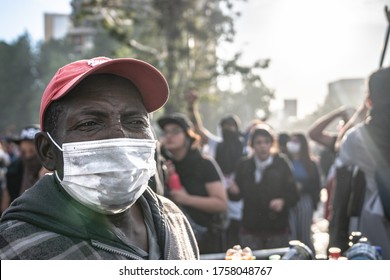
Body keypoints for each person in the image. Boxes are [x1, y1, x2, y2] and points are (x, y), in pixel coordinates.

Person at [0, 56, 199, 260]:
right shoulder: (16, 248)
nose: (119, 136)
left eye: (136, 121)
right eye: (89, 123)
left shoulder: (173, 218)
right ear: (48, 151)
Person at [337, 66, 390, 259]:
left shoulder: (357, 138)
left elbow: (339, 147)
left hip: (375, 216)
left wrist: (360, 113)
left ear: (370, 100)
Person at [157, 112, 228, 254]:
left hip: (206, 239)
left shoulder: (204, 164)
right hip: (175, 240)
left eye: (175, 131)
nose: (169, 136)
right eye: (166, 132)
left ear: (188, 135)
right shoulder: (163, 164)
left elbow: (221, 203)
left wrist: (186, 199)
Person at [186, 89, 246, 249]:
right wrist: (192, 107)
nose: (229, 129)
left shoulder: (247, 148)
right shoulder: (216, 144)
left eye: (232, 126)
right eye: (225, 126)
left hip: (243, 200)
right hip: (219, 196)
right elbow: (198, 129)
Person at [229, 124, 299, 250]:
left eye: (267, 142)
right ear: (252, 145)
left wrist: (282, 201)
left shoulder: (281, 163)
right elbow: (236, 196)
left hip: (276, 228)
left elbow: (294, 194)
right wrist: (233, 191)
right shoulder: (244, 165)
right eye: (259, 142)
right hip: (251, 228)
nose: (263, 146)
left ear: (272, 144)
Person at [286, 133, 321, 253]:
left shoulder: (311, 164)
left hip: (305, 201)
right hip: (289, 202)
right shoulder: (285, 161)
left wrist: (302, 186)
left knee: (305, 236)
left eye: (296, 141)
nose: (292, 144)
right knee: (292, 235)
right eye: (291, 141)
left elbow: (316, 185)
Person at [2, 125, 48, 209]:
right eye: (23, 152)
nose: (27, 156)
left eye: (31, 151)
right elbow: (5, 205)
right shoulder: (14, 171)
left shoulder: (51, 171)